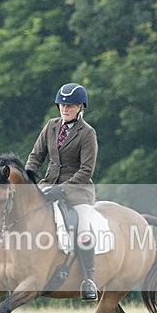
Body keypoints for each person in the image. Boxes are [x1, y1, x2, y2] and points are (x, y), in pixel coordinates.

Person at [25, 83, 98, 301]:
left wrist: (63, 189)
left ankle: (89, 279)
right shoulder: (51, 126)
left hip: (78, 191)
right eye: (62, 105)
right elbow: (36, 155)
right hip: (48, 184)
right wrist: (29, 176)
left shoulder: (87, 133)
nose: (65, 109)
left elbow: (86, 170)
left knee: (84, 229)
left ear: (80, 107)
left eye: (70, 106)